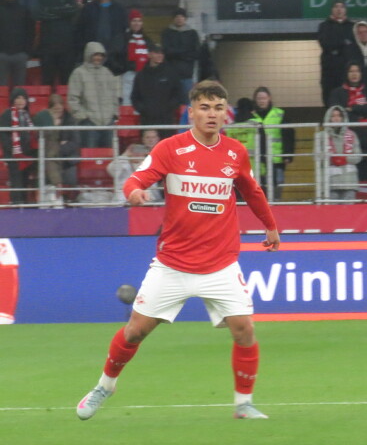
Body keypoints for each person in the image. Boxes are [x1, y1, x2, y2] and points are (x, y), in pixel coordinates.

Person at [75, 80, 281, 421]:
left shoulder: (235, 153)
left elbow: (252, 191)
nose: (211, 114)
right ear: (192, 112)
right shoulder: (171, 149)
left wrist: (270, 226)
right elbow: (137, 179)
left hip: (220, 264)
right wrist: (133, 192)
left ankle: (243, 404)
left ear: (225, 114)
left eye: (218, 108)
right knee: (135, 331)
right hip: (173, 264)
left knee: (244, 329)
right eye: (205, 107)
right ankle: (105, 385)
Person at [67, 42, 121, 149]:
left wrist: (113, 114)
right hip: (89, 123)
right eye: (96, 55)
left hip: (108, 122)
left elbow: (115, 96)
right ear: (89, 54)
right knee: (90, 155)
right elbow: (72, 99)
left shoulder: (107, 73)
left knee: (110, 154)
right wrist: (83, 117)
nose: (98, 58)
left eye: (101, 55)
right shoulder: (79, 73)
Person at [247, 87, 295, 200]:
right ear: (255, 100)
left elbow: (289, 136)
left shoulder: (280, 114)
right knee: (258, 190)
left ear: (269, 98)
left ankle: (275, 206)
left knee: (277, 187)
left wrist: (288, 155)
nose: (261, 101)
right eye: (259, 98)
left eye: (264, 98)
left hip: (276, 159)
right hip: (257, 160)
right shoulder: (250, 115)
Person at [316, 105, 362, 202]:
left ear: (343, 118)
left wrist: (344, 159)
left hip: (349, 181)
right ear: (328, 118)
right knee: (332, 211)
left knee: (349, 211)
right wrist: (332, 159)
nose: (336, 118)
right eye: (333, 116)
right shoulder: (321, 136)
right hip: (330, 182)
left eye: (338, 116)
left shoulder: (352, 135)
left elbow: (358, 157)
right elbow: (317, 158)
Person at [0, 87, 35, 204]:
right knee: (16, 182)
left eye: (23, 98)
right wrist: (12, 151)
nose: (21, 101)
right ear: (13, 100)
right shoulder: (7, 114)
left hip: (27, 155)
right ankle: (16, 205)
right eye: (18, 98)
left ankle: (24, 205)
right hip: (13, 156)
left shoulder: (27, 116)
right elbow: (4, 136)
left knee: (25, 181)